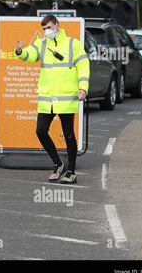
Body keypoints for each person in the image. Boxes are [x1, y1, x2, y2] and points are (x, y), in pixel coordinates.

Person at [14, 15, 89, 184]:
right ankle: (58, 163)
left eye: (49, 27)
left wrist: (83, 88)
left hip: (66, 97)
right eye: (44, 29)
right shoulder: (42, 43)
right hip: (47, 98)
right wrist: (20, 51)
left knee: (68, 134)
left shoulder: (72, 44)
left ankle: (71, 171)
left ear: (57, 25)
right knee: (40, 131)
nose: (47, 31)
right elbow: (30, 55)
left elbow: (83, 66)